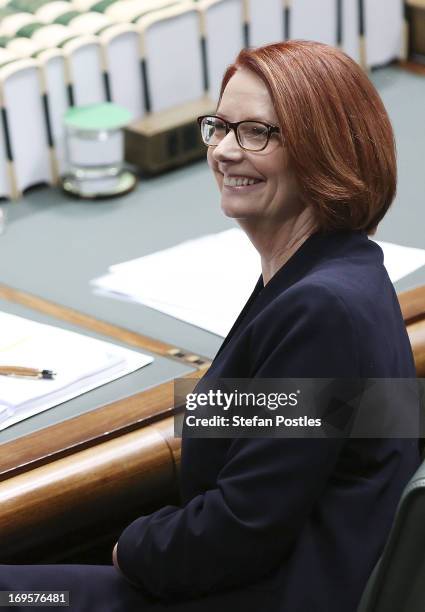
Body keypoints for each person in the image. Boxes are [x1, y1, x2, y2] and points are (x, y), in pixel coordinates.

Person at [0, 40, 420, 611]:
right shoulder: (343, 269)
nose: (223, 150)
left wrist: (132, 545)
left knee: (24, 595)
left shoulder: (322, 309)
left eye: (256, 133)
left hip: (272, 592)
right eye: (219, 126)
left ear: (326, 152)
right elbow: (320, 423)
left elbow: (243, 528)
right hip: (284, 568)